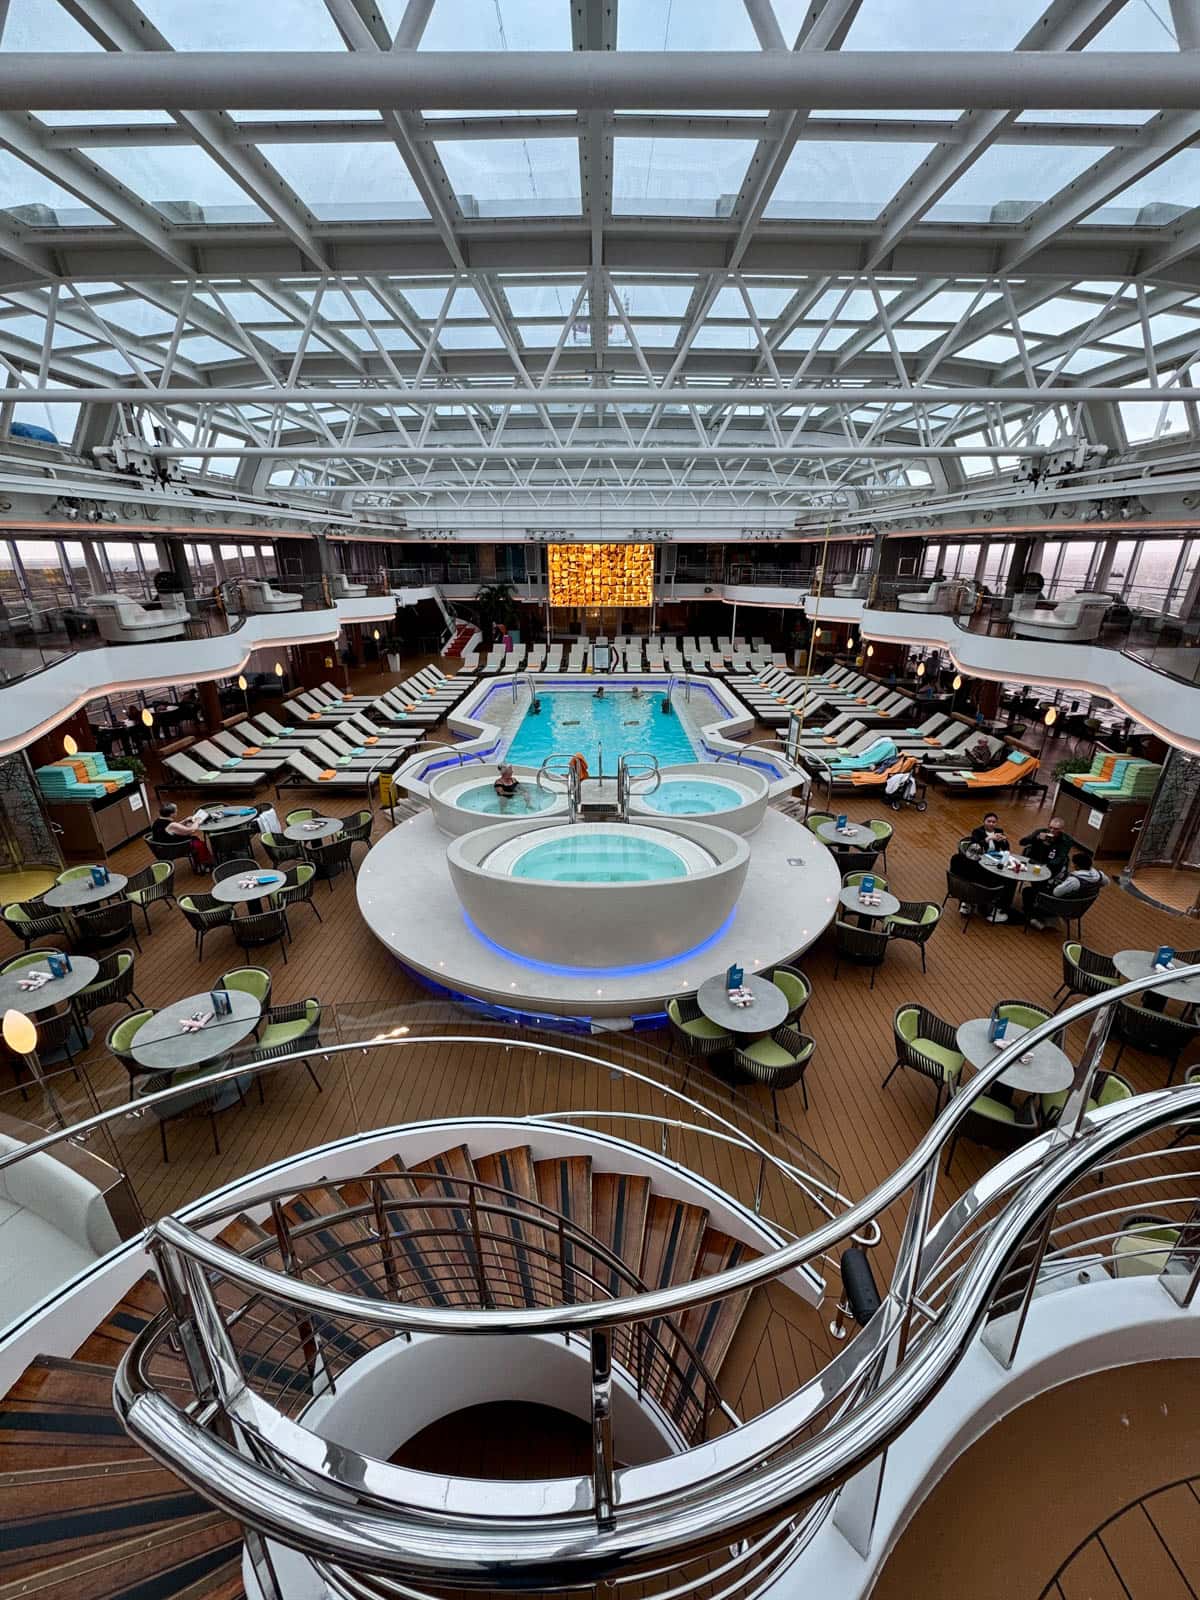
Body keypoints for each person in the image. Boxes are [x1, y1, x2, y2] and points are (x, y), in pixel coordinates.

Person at [1026, 850, 1107, 929]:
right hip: (1079, 907)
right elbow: (1106, 882)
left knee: (1029, 891)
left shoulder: (1075, 881)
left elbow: (1056, 893)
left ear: (1077, 866)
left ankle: (1033, 917)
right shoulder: (1099, 876)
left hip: (1065, 906)